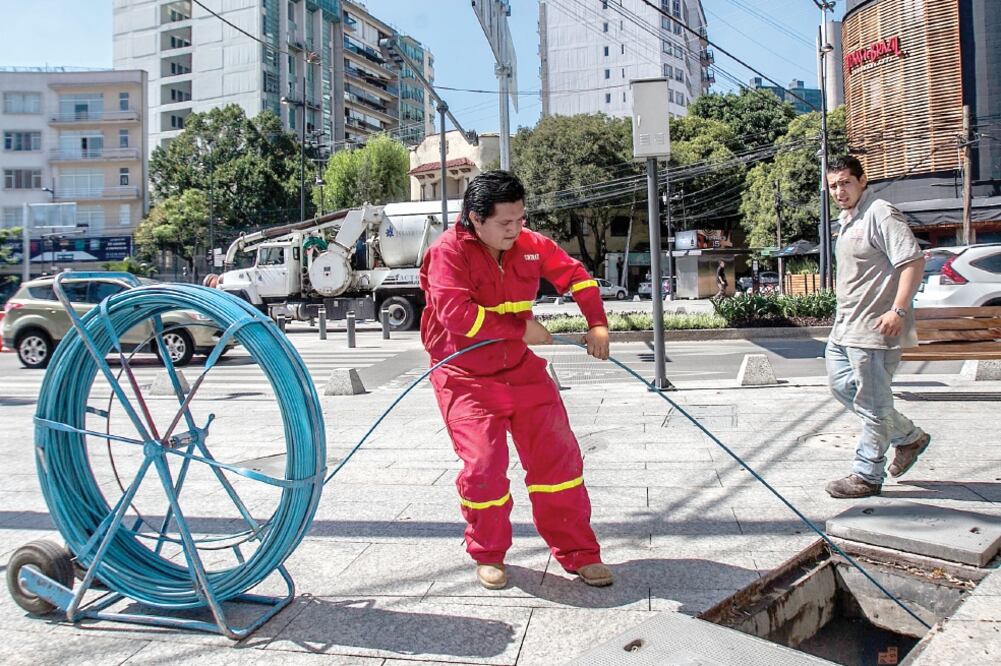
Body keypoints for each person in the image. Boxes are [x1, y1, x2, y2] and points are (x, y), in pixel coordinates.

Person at [419, 170, 613, 590]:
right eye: (505, 222)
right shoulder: (447, 253)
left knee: (558, 459)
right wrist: (520, 330)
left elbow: (577, 276)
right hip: (463, 375)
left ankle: (579, 552)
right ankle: (487, 553)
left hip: (521, 371)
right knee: (484, 466)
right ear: (475, 218)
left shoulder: (530, 245)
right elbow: (456, 316)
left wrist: (597, 323)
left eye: (520, 219)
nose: (515, 229)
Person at [824, 155, 930, 499]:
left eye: (845, 182)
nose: (839, 191)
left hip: (875, 328)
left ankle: (867, 474)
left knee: (872, 403)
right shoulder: (848, 218)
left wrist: (898, 310)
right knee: (843, 387)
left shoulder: (880, 212)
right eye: (833, 185)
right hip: (845, 328)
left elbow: (912, 261)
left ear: (862, 180)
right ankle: (909, 437)